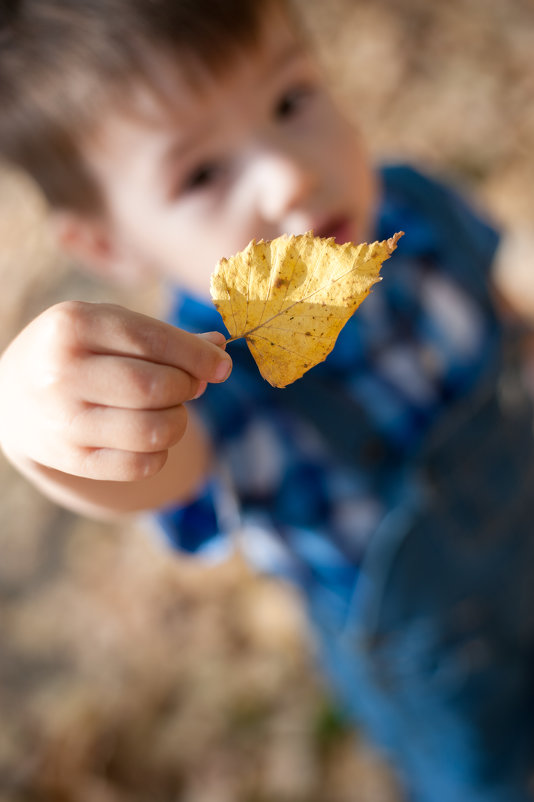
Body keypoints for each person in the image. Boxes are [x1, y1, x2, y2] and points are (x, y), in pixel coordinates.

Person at [1, 1, 534, 799]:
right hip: (443, 672)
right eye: (202, 174)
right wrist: (45, 433)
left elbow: (506, 305)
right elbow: (156, 466)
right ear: (108, 245)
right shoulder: (210, 385)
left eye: (290, 101)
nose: (290, 173)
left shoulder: (414, 209)